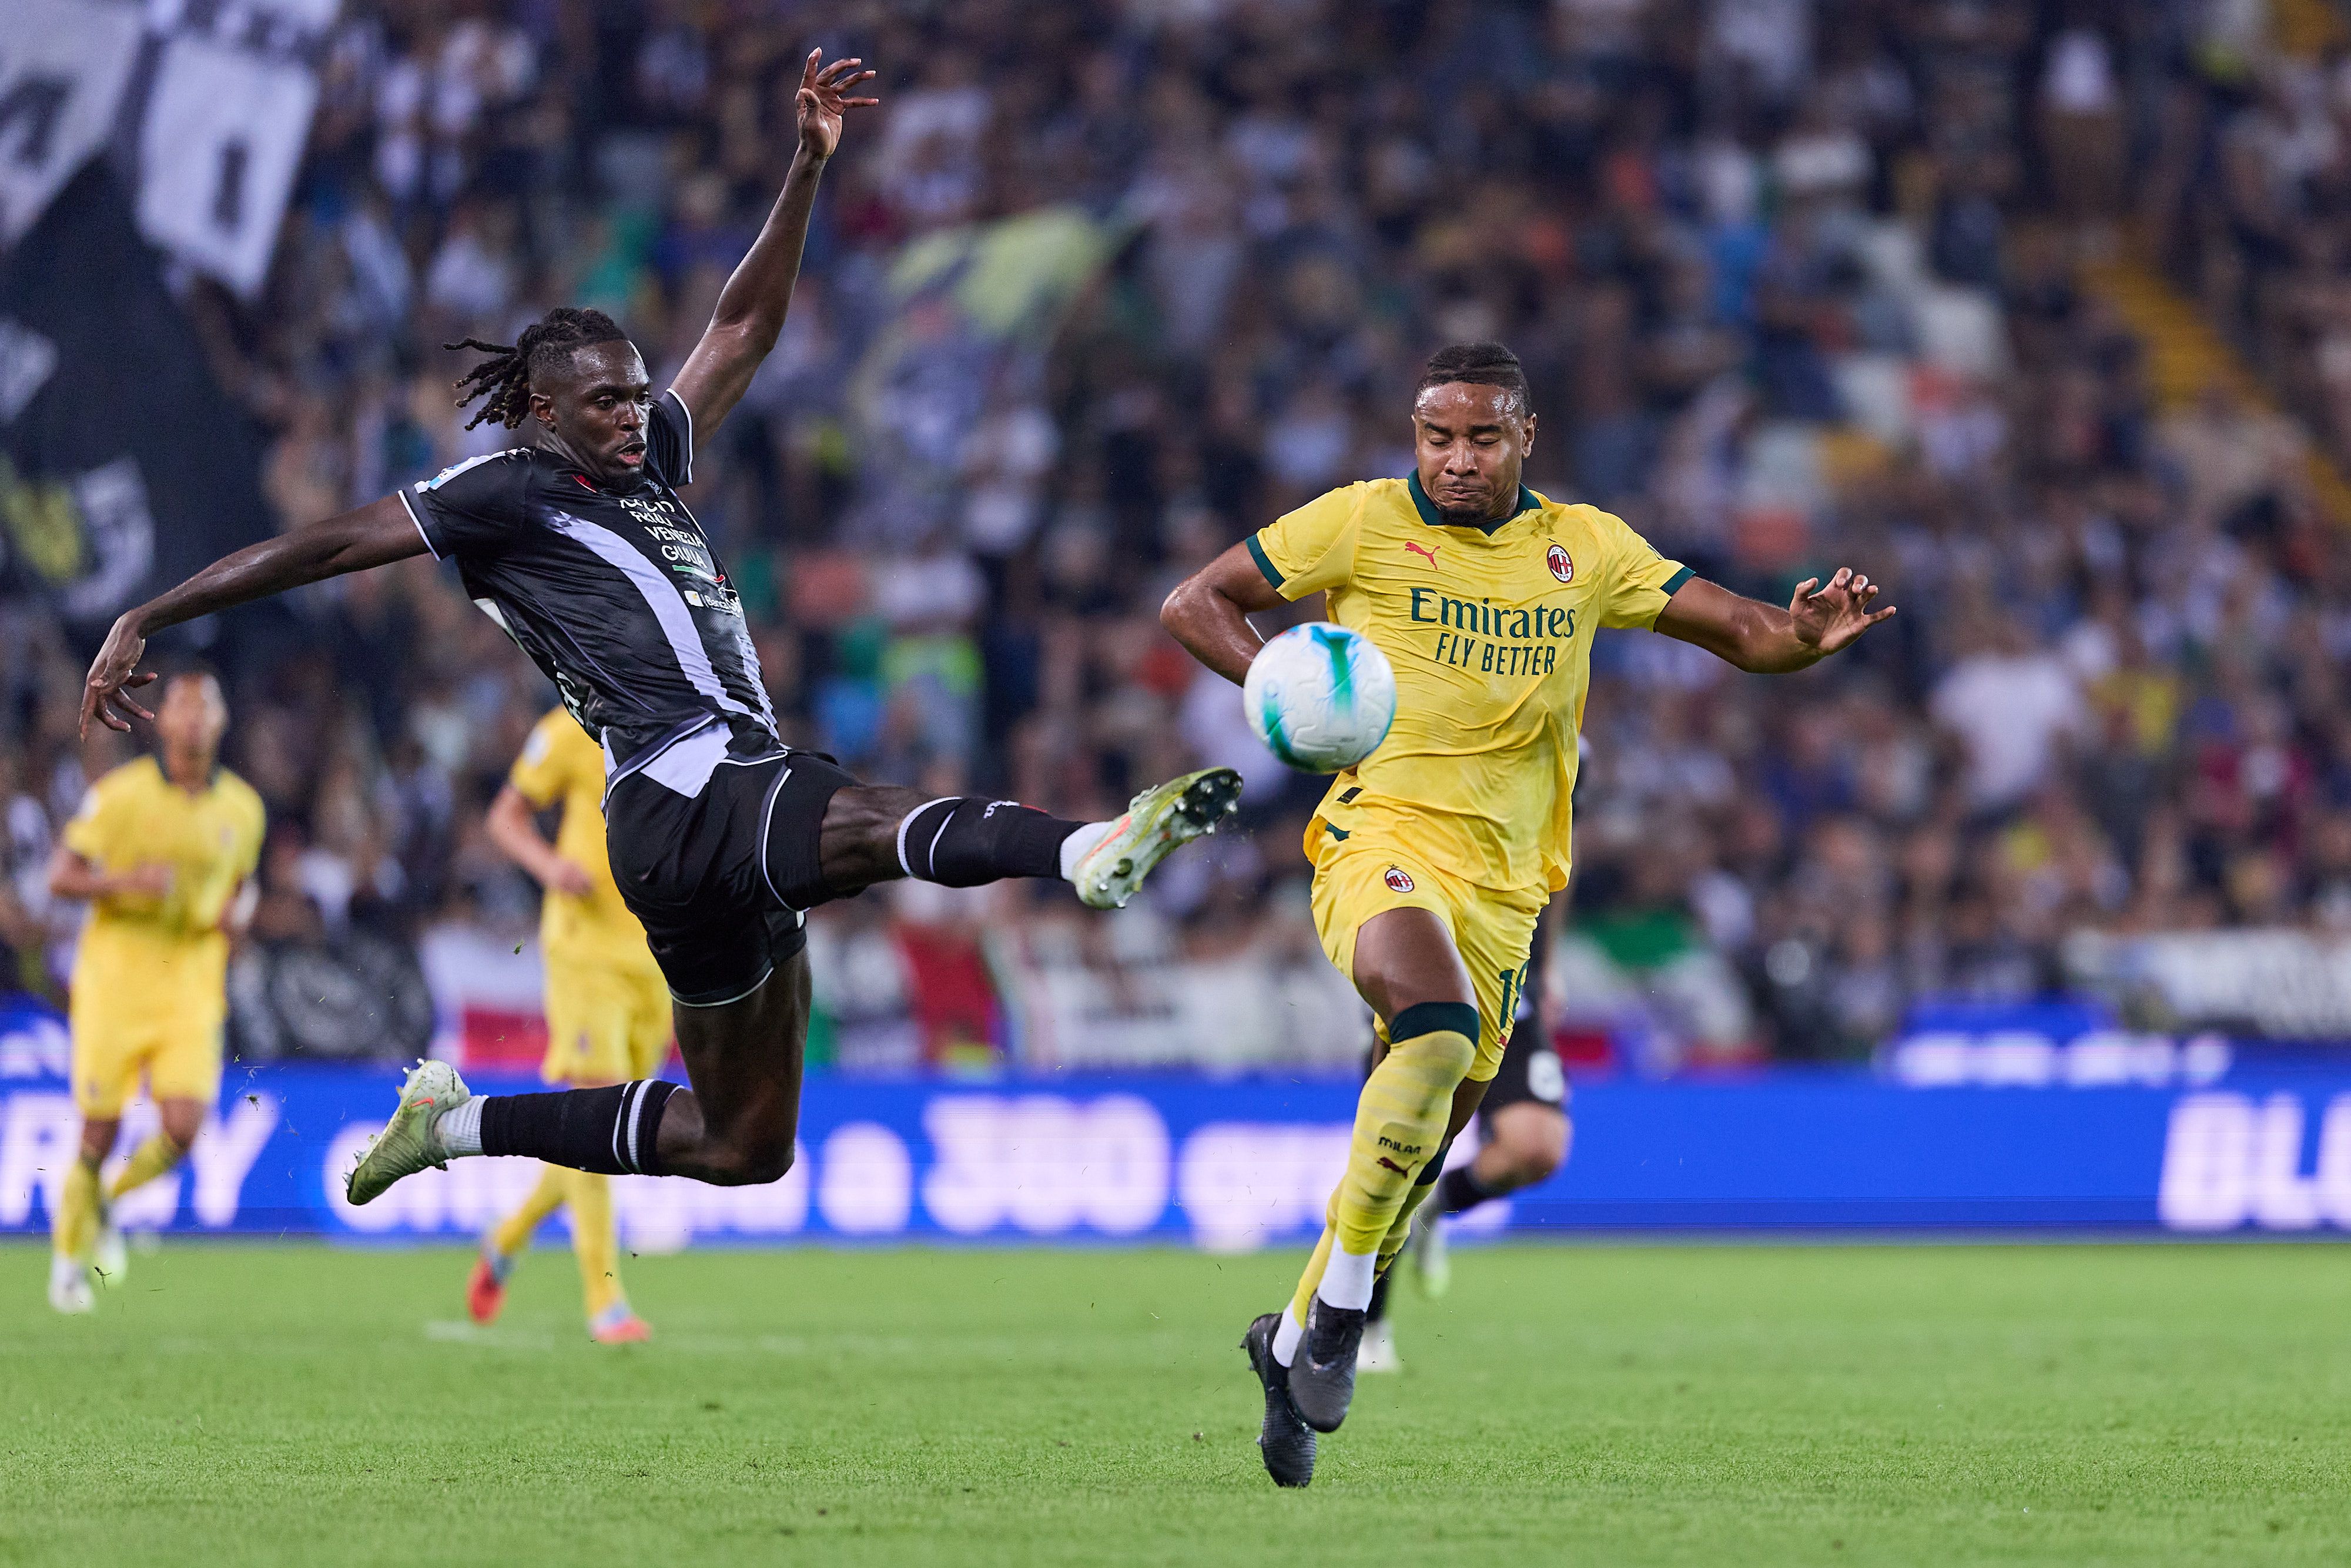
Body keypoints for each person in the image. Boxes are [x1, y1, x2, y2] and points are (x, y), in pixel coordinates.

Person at [77, 52, 1238, 1226]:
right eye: (605, 403)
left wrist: (801, 167)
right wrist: (149, 613)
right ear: (542, 411)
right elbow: (328, 545)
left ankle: (452, 1124)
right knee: (863, 815)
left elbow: (742, 324)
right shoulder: (509, 487)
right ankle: (1086, 848)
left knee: (741, 1143)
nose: (633, 416)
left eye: (637, 395)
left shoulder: (653, 465)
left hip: (685, 816)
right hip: (687, 779)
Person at [1160, 341, 1893, 1487]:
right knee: (1434, 1027)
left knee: (1428, 1130)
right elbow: (1194, 601)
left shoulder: (1584, 547)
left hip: (1511, 885)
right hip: (1380, 838)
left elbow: (1746, 631)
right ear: (1413, 436)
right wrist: (1284, 695)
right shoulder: (1353, 522)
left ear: (1523, 437)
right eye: (1435, 436)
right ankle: (1345, 1315)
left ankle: (1295, 1335)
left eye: (1480, 437)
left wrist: (1804, 634)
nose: (1455, 459)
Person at [45, 669, 264, 1313]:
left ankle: (108, 1206)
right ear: (162, 721)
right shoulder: (120, 796)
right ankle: (66, 1263)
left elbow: (242, 885)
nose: (194, 719)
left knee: (184, 1127)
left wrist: (240, 915)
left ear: (221, 724)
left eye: (206, 708)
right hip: (116, 978)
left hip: (192, 980)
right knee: (99, 1130)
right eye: (183, 707)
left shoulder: (243, 809)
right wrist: (121, 885)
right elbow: (60, 876)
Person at [470, 706, 672, 1344]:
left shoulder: (677, 727)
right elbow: (505, 817)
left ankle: (508, 1236)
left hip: (658, 957)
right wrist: (550, 867)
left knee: (612, 1135)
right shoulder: (569, 730)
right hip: (585, 953)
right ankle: (604, 1298)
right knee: (601, 1114)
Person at [1355, 900, 1569, 1374]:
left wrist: (1549, 964)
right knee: (1399, 1161)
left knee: (1537, 1147)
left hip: (1508, 975)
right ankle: (1366, 1331)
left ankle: (1439, 1203)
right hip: (1420, 974)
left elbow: (1557, 868)